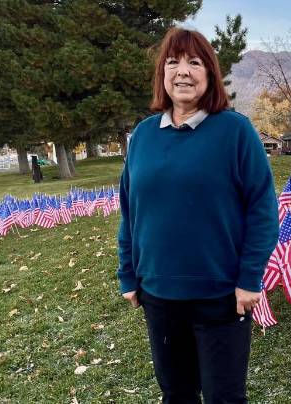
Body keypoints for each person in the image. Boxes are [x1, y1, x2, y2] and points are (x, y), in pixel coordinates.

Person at [116, 27, 279, 403]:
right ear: (162, 75)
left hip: (221, 296)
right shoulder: (142, 136)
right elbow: (129, 210)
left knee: (224, 397)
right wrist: (128, 273)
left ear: (210, 73)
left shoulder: (235, 131)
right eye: (172, 63)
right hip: (158, 295)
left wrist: (249, 278)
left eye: (194, 62)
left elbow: (262, 209)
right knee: (177, 394)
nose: (182, 72)